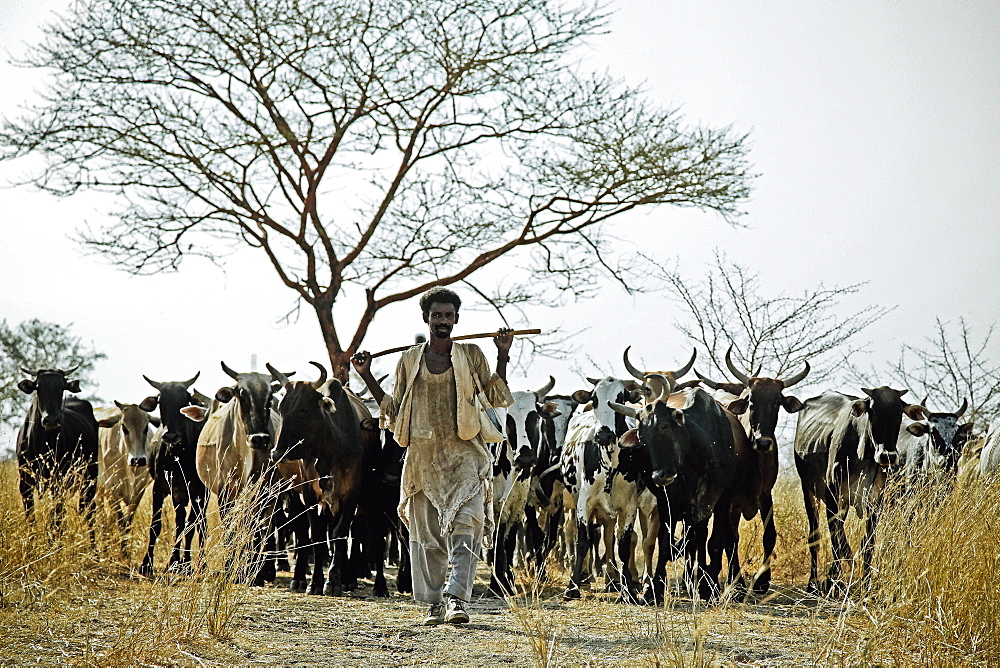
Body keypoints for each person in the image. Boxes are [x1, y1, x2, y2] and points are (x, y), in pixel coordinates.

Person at [352, 287, 514, 626]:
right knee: (427, 538)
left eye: (449, 316)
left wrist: (502, 353)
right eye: (437, 315)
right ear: (427, 319)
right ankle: (434, 605)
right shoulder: (409, 360)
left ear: (456, 320)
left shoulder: (470, 355)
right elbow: (393, 411)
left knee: (467, 526)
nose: (443, 321)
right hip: (423, 459)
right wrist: (366, 374)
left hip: (465, 454)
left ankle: (457, 600)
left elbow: (494, 395)